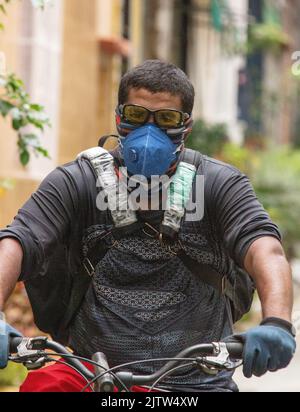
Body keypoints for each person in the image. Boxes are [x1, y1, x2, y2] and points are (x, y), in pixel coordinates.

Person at [0, 60, 296, 392]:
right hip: (94, 379)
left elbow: (265, 248)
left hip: (198, 384)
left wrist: (277, 322)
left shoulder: (218, 184)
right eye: (137, 116)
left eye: (166, 118)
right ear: (118, 118)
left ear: (187, 126)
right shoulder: (76, 182)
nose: (149, 130)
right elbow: (17, 241)